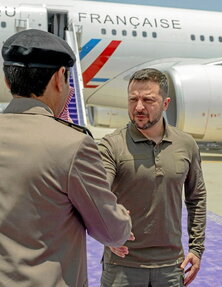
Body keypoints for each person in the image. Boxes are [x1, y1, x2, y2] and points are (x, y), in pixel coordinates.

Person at [0, 29, 132, 287]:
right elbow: (112, 231)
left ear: (7, 81)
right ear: (60, 77)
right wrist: (121, 217)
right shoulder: (72, 144)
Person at [98, 68, 207, 286]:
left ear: (165, 104)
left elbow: (196, 197)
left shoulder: (186, 145)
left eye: (148, 100)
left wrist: (196, 247)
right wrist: (106, 234)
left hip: (170, 267)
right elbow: (97, 195)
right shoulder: (112, 145)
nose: (139, 107)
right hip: (122, 265)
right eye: (133, 99)